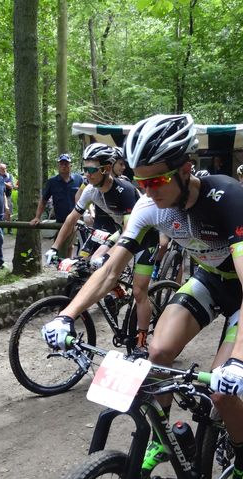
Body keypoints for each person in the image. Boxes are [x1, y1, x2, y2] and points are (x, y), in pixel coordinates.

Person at [41, 114, 243, 479]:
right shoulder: (149, 208)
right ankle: (161, 437)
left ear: (186, 169)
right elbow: (110, 271)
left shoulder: (226, 196)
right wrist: (67, 315)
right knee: (157, 353)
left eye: (157, 181)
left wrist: (239, 361)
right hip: (210, 279)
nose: (148, 191)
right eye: (141, 181)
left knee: (222, 392)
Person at [44, 142, 153, 355]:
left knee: (139, 291)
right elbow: (71, 219)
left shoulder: (124, 190)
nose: (86, 174)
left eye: (91, 169)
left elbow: (130, 231)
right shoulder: (91, 190)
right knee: (94, 262)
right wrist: (55, 248)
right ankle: (119, 292)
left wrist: (110, 256)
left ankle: (141, 342)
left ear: (106, 169)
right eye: (84, 169)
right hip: (122, 232)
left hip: (145, 235)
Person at [31, 154, 85, 256]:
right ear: (58, 166)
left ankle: (65, 262)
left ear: (70, 165)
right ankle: (61, 262)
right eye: (61, 164)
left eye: (66, 164)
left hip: (75, 219)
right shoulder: (52, 182)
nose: (64, 166)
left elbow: (86, 196)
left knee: (70, 245)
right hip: (60, 220)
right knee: (61, 244)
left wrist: (91, 211)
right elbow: (43, 200)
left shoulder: (79, 179)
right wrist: (37, 217)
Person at [0, 162, 15, 233]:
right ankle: (1, 229)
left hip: (8, 196)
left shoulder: (9, 176)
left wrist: (3, 182)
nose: (4, 170)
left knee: (9, 212)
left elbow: (10, 186)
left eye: (4, 168)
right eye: (2, 169)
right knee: (1, 213)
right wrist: (6, 184)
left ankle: (9, 229)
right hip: (0, 197)